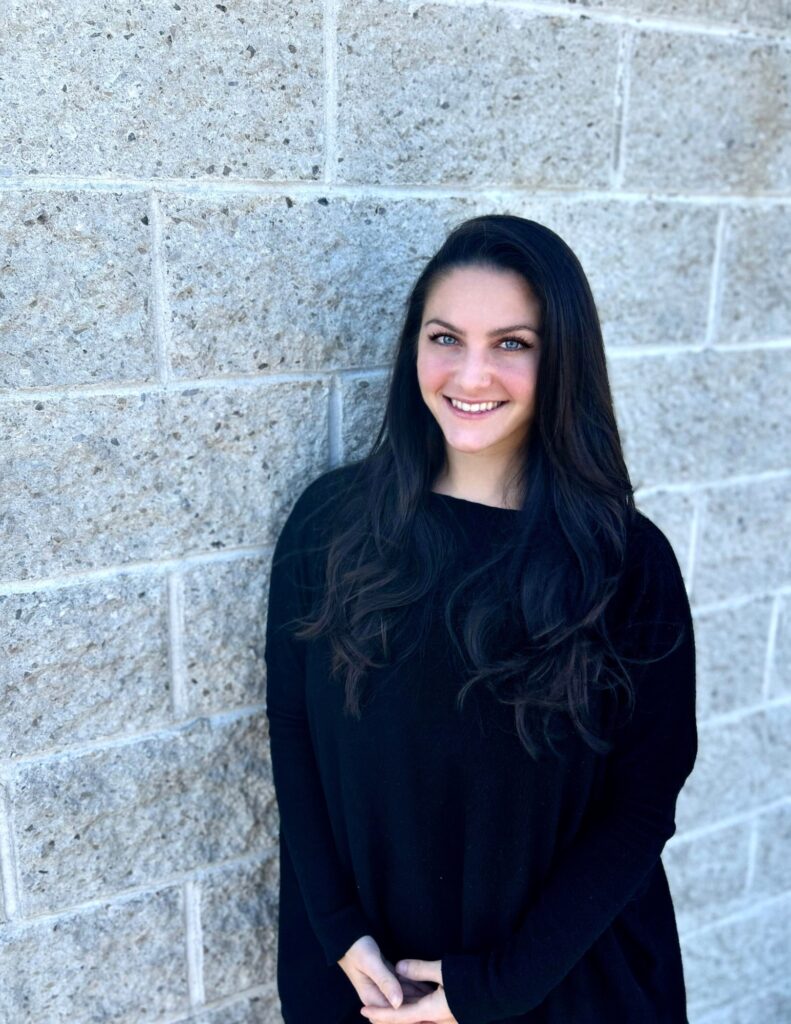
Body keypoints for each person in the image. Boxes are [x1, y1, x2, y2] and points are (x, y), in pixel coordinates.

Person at [264, 214, 698, 1024]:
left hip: (561, 987)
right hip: (362, 982)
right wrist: (337, 930)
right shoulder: (329, 525)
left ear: (561, 359)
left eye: (511, 344)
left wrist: (497, 985)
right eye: (445, 338)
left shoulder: (623, 562)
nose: (470, 373)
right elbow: (293, 733)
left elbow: (642, 802)